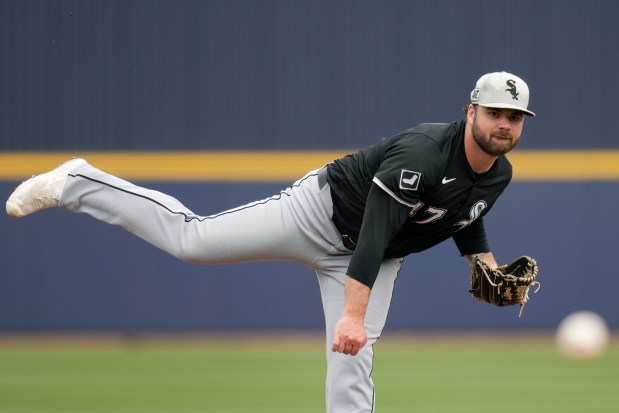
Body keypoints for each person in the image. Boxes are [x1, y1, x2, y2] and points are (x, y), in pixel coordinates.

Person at [6, 71, 535, 413]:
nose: (504, 125)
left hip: (375, 256)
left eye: (514, 118)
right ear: (470, 111)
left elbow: (464, 215)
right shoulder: (423, 154)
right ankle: (77, 182)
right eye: (495, 113)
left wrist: (481, 263)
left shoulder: (498, 174)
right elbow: (375, 231)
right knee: (194, 240)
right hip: (317, 213)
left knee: (353, 359)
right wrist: (353, 315)